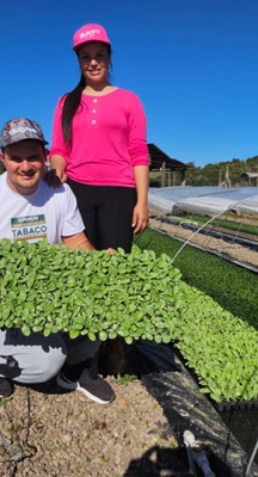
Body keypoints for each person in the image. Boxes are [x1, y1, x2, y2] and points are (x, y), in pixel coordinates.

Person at [0, 117, 115, 404]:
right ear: (2, 158)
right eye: (15, 158)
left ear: (45, 155)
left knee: (98, 309)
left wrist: (96, 263)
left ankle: (72, 370)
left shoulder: (59, 191)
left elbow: (76, 241)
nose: (25, 166)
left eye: (33, 157)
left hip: (40, 293)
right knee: (45, 362)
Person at [49, 23, 150, 373]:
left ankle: (115, 343)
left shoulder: (129, 100)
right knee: (84, 270)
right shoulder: (67, 102)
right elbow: (59, 149)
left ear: (109, 57)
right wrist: (58, 170)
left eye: (99, 55)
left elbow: (138, 152)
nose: (93, 62)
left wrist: (142, 201)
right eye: (86, 57)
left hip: (119, 191)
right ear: (78, 61)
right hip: (78, 190)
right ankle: (89, 348)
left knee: (116, 269)